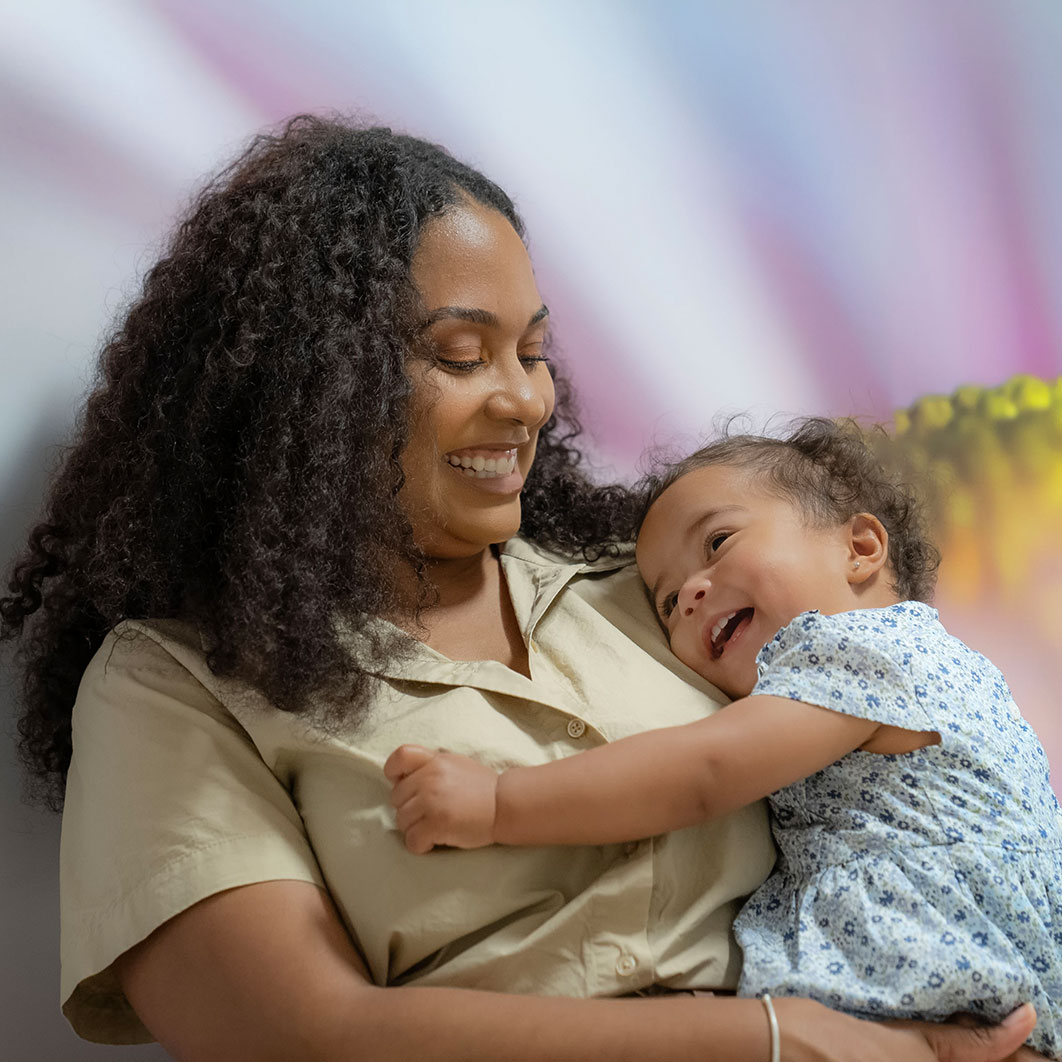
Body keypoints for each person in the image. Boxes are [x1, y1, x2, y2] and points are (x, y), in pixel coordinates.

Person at [0, 116, 1042, 1061]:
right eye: (462, 355)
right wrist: (775, 1040)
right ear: (310, 388)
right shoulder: (174, 687)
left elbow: (905, 779)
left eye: (535, 352)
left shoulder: (661, 592)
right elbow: (298, 1036)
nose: (526, 401)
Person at [387, 417, 1062, 1058]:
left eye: (716, 544)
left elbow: (703, 772)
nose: (689, 596)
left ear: (859, 548)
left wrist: (501, 803)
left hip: (942, 977)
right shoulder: (918, 661)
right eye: (666, 600)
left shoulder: (860, 650)